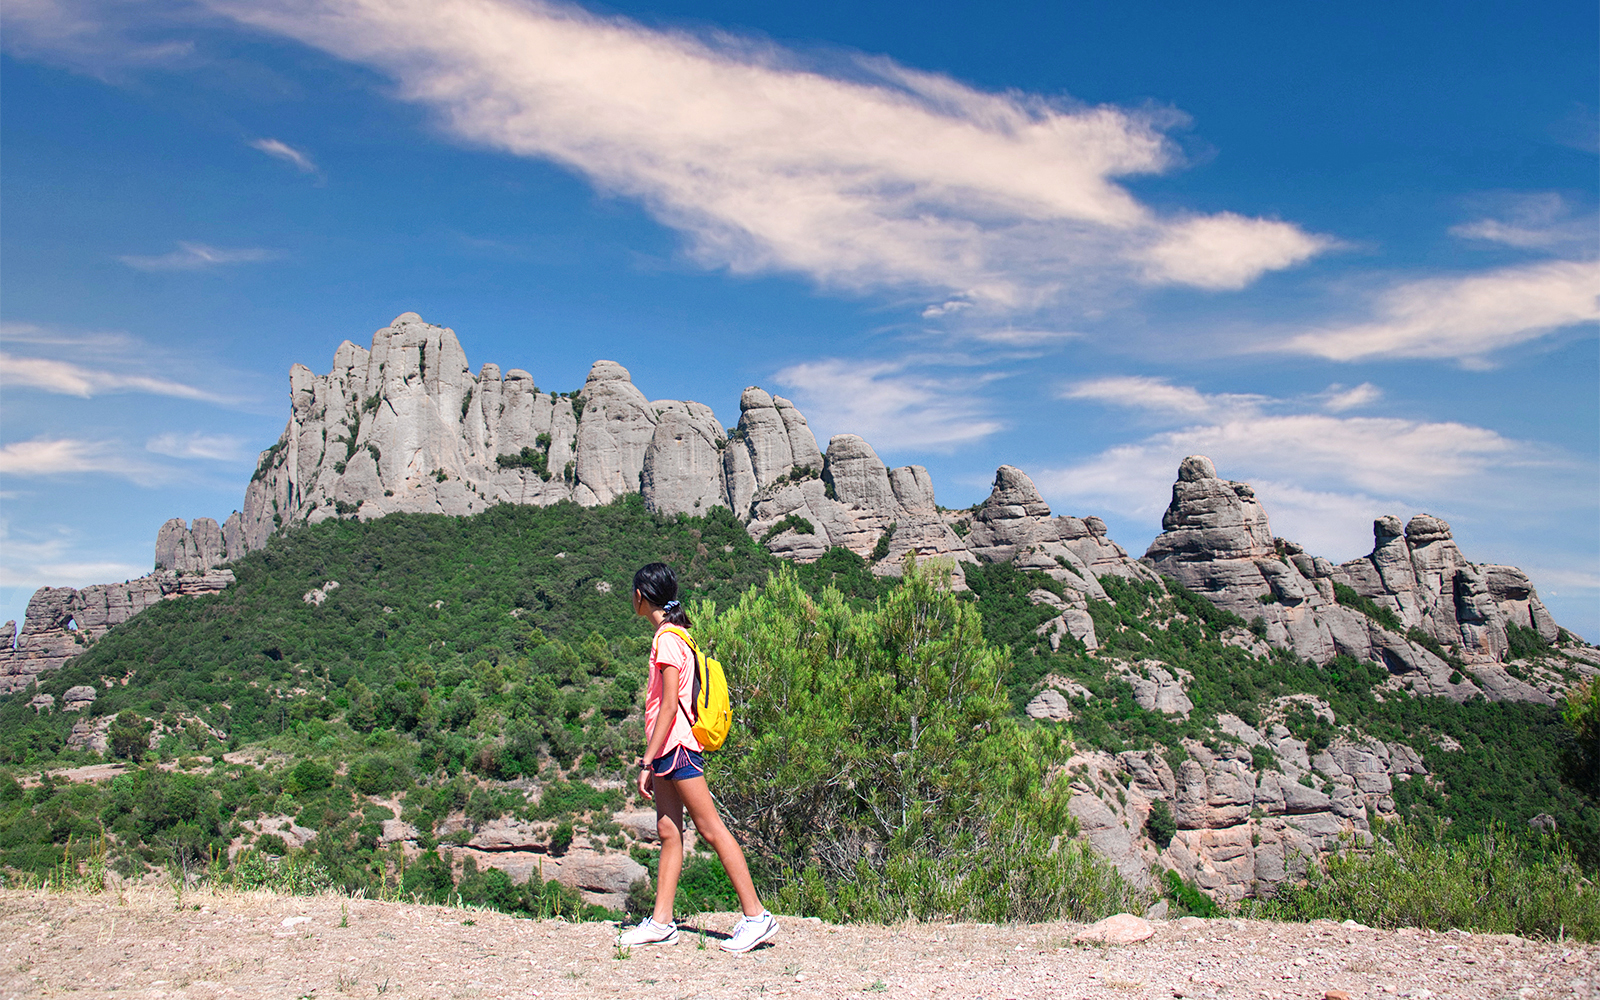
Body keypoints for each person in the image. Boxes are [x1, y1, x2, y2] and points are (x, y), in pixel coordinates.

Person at [616, 562, 778, 954]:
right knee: (670, 833)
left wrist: (646, 760)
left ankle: (757, 918)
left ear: (641, 595)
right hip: (669, 750)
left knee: (711, 828)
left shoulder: (668, 639)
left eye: (632, 592)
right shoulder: (673, 634)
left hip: (677, 747)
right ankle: (661, 923)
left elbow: (669, 706)